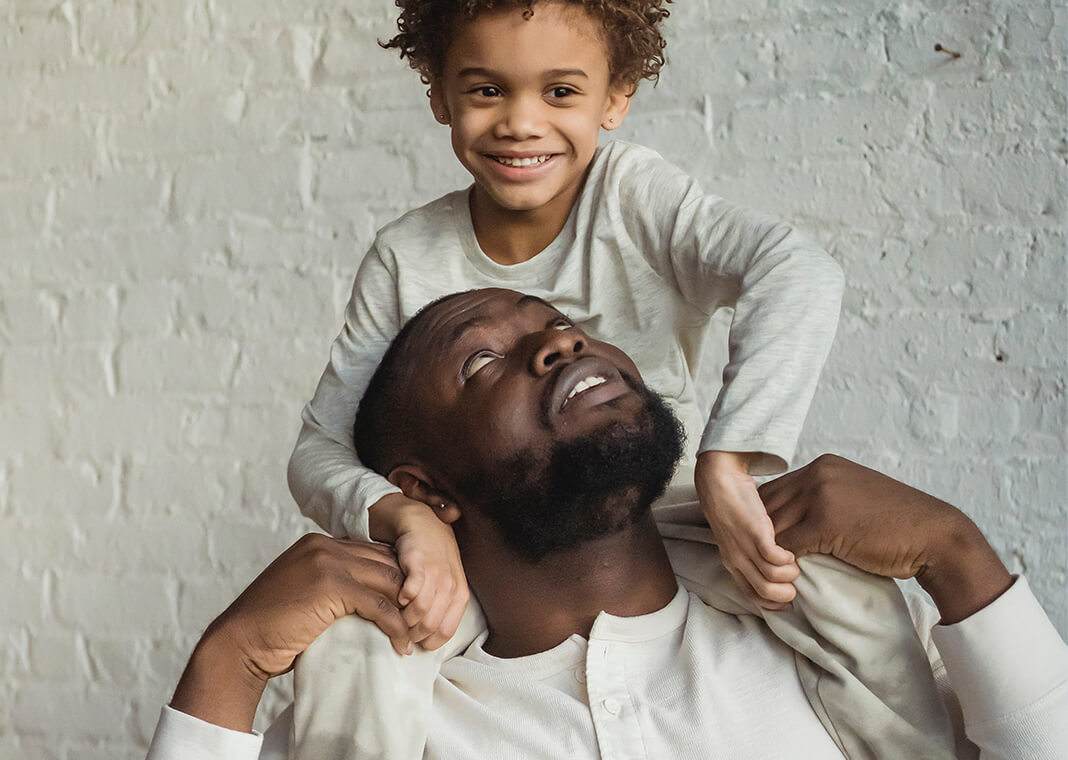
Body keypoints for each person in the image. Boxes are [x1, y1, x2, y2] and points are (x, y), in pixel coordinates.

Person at [148, 289, 1067, 759]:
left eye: (560, 324)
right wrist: (226, 661)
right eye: (482, 364)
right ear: (427, 491)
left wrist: (956, 554)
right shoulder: (403, 721)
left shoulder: (826, 637)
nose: (560, 342)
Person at [287, 0, 846, 654]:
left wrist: (729, 462)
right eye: (488, 90)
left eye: (560, 92)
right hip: (502, 567)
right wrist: (410, 519)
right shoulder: (407, 257)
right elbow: (317, 452)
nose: (522, 124)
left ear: (615, 98)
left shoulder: (633, 198)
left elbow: (797, 269)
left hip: (664, 537)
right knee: (357, 654)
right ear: (440, 94)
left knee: (840, 599)